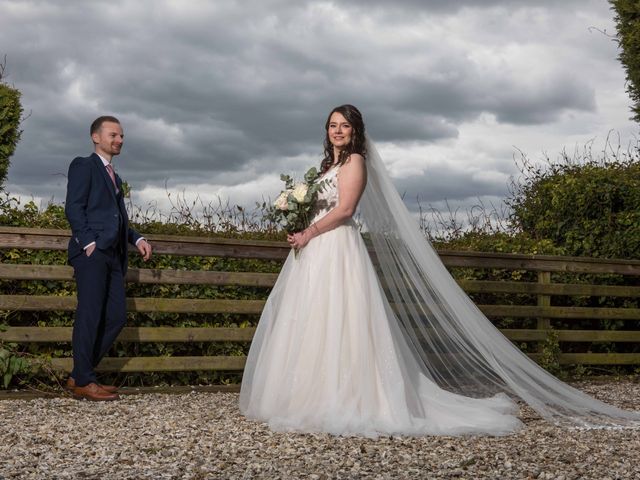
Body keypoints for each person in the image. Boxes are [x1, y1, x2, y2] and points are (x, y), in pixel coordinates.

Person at [239, 104, 640, 437]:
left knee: (343, 318)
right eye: (332, 125)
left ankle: (350, 396)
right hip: (314, 251)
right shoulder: (326, 165)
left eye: (344, 126)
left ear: (356, 131)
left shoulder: (356, 161)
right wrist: (298, 216)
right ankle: (307, 395)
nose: (338, 131)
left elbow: (346, 210)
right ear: (326, 131)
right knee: (313, 319)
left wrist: (309, 229)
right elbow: (322, 203)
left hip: (338, 247)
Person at [64, 115, 152, 401]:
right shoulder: (83, 165)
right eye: (114, 135)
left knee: (116, 317)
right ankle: (85, 380)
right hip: (92, 253)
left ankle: (80, 374)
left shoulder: (116, 177)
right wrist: (88, 242)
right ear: (96, 137)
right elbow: (74, 207)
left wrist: (136, 238)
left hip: (114, 256)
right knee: (90, 314)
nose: (120, 140)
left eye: (122, 136)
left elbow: (119, 218)